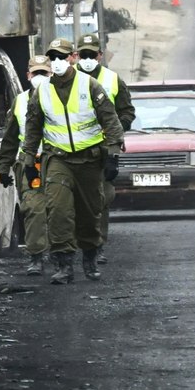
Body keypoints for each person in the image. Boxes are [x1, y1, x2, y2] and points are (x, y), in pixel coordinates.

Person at [20, 37, 125, 284]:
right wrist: (27, 161)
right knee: (58, 209)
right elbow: (33, 127)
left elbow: (110, 119)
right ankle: (64, 265)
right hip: (58, 159)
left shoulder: (89, 85)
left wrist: (113, 154)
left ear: (72, 58)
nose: (57, 62)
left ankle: (89, 257)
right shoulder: (42, 91)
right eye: (52, 58)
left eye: (61, 57)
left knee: (90, 213)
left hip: (89, 159)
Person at [74, 33, 134, 265]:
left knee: (101, 198)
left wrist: (116, 135)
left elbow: (127, 111)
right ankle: (69, 247)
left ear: (99, 55)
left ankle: (97, 246)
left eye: (92, 54)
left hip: (103, 149)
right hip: (70, 150)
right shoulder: (64, 80)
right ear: (76, 55)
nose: (88, 59)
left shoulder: (112, 80)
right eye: (83, 54)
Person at [0, 55, 52, 275]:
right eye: (36, 73)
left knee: (60, 209)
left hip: (58, 161)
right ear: (28, 76)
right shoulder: (20, 101)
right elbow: (10, 137)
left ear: (51, 75)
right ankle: (36, 257)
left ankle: (62, 255)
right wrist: (3, 168)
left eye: (44, 73)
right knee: (33, 209)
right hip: (30, 164)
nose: (40, 77)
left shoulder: (60, 98)